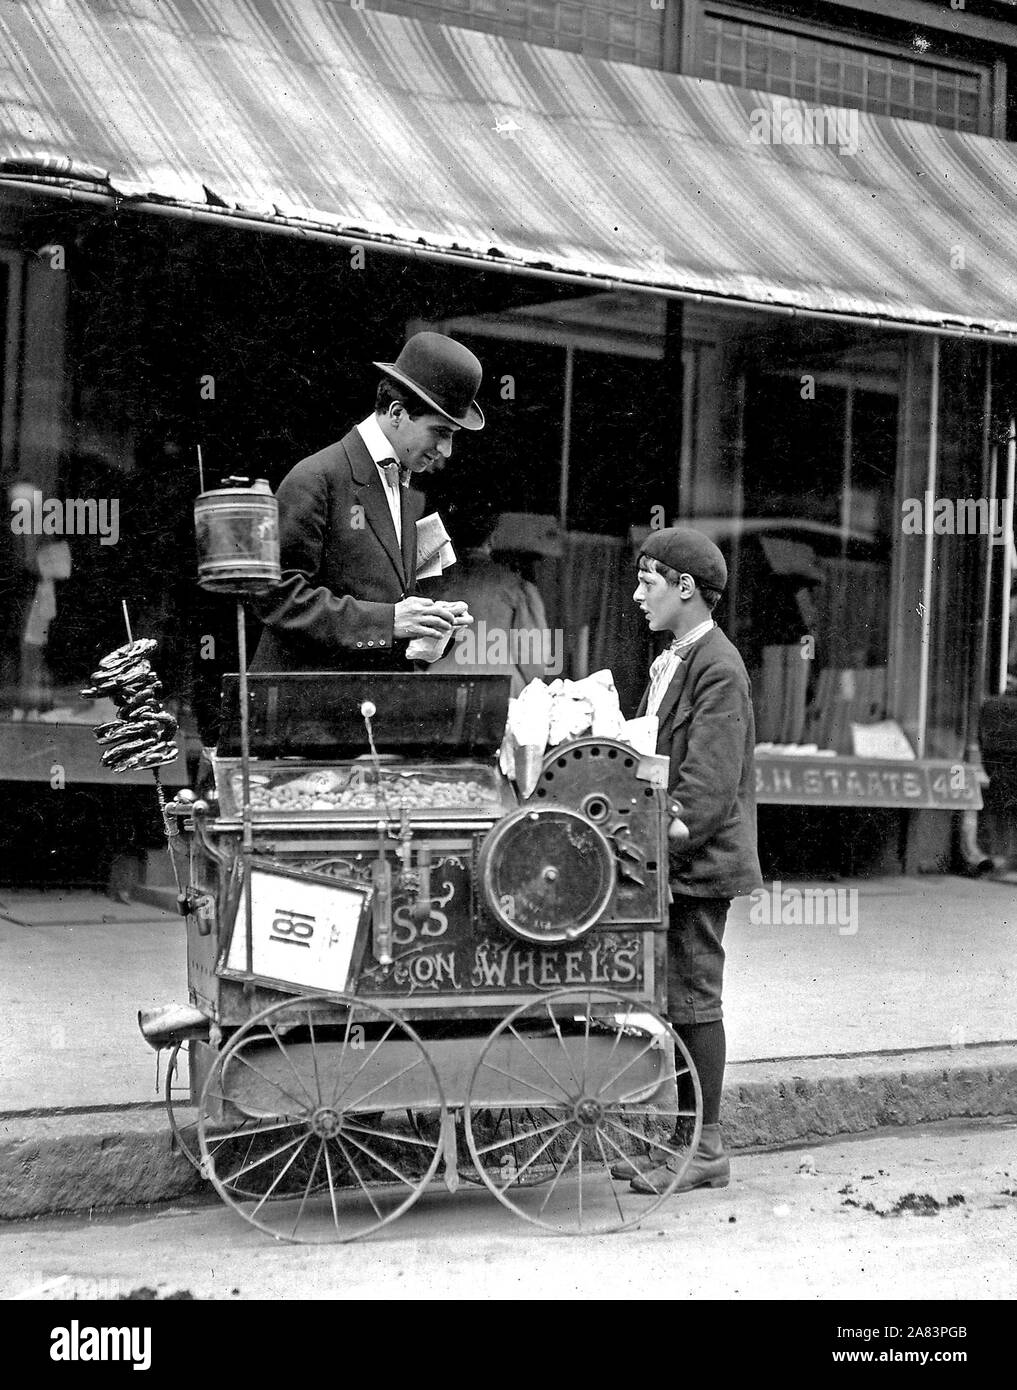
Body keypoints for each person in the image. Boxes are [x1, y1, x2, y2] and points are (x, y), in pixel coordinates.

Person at [620, 526, 762, 1195]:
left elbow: (703, 798)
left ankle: (704, 1145)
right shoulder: (677, 657)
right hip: (673, 859)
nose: (636, 594)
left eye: (647, 583)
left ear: (685, 588)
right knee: (678, 1000)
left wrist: (644, 844)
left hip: (699, 865)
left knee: (695, 999)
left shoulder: (717, 667)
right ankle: (684, 1140)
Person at [251, 332, 484, 672]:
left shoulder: (399, 485)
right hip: (304, 713)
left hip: (362, 708)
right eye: (440, 432)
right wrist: (388, 621)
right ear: (396, 413)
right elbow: (275, 596)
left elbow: (384, 600)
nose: (446, 451)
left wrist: (428, 627)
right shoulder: (316, 477)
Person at [426, 500, 556, 696]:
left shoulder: (433, 585)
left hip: (440, 686)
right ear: (492, 539)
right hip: (499, 689)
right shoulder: (517, 587)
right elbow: (534, 660)